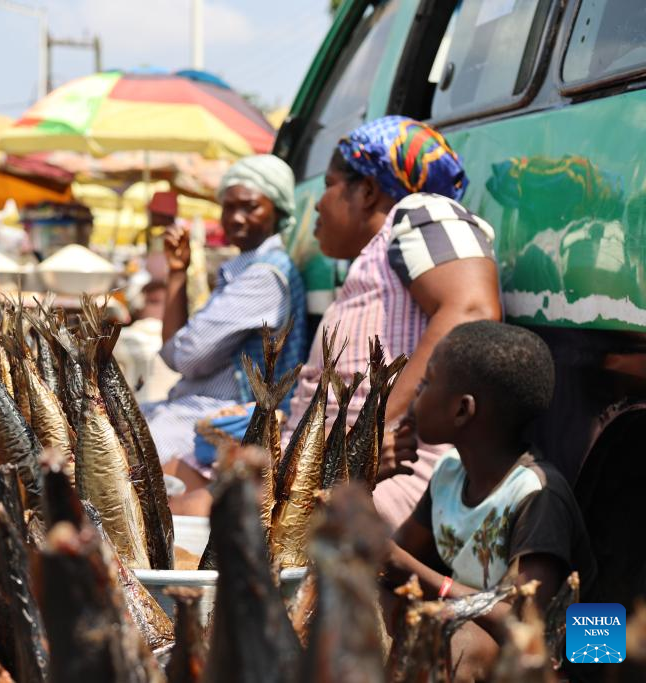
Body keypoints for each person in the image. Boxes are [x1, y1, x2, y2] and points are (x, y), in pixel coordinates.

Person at [274, 116, 503, 527]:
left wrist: (369, 438)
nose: (318, 204)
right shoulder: (371, 263)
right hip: (336, 482)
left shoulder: (420, 210)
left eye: (328, 185)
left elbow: (471, 310)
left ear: (367, 190)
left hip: (392, 482)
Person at [383, 321, 596, 681]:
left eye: (426, 383)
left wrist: (411, 570)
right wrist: (367, 475)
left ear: (462, 410)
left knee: (455, 644)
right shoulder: (451, 472)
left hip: (560, 656)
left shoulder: (537, 494)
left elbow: (523, 621)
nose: (416, 393)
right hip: (473, 622)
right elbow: (391, 561)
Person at [142, 154, 307, 483]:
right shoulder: (244, 269)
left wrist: (180, 348)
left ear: (277, 211)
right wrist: (178, 273)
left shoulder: (264, 276)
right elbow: (175, 349)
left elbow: (185, 356)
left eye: (250, 207)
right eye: (228, 207)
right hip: (194, 407)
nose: (236, 218)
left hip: (228, 418)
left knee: (123, 461)